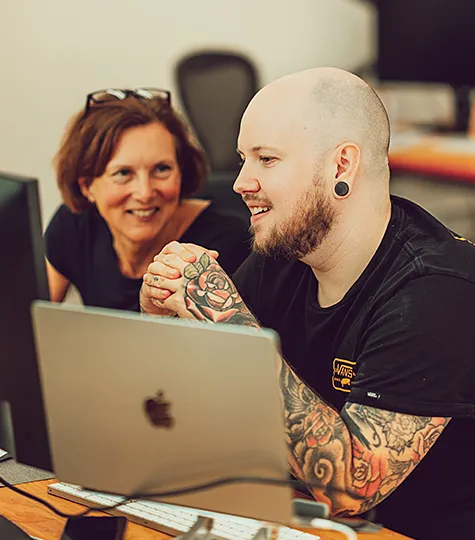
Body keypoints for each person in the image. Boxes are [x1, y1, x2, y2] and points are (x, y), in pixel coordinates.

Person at [139, 69, 475, 539]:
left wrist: (227, 323)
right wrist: (166, 319)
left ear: (341, 167)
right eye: (243, 160)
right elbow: (192, 412)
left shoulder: (438, 291)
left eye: (266, 159)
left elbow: (350, 489)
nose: (240, 182)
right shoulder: (285, 254)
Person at [44, 88, 251, 312]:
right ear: (87, 186)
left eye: (161, 169)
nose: (144, 193)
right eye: (123, 173)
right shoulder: (74, 223)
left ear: (182, 173)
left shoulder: (226, 245)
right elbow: (29, 322)